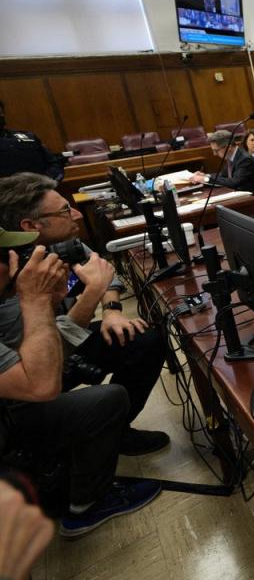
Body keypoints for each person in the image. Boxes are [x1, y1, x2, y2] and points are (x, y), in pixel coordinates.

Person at [0, 228, 162, 537]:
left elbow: (49, 356)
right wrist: (34, 300)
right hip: (13, 418)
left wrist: (49, 305)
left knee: (139, 341)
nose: (14, 262)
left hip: (13, 405)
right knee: (107, 399)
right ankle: (85, 507)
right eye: (5, 257)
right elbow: (43, 384)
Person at [0, 173, 169, 455]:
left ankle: (116, 432)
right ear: (30, 225)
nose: (77, 214)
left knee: (143, 339)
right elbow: (41, 361)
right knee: (107, 398)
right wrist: (88, 296)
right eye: (65, 210)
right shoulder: (9, 275)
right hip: (26, 376)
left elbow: (102, 272)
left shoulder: (60, 245)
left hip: (56, 342)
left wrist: (112, 309)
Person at [0, 101, 64, 183]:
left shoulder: (29, 137)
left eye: (1, 112)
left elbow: (54, 162)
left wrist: (48, 181)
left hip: (42, 189)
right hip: (7, 193)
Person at [189, 129, 254, 193]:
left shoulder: (245, 160)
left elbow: (234, 182)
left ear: (228, 147)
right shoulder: (232, 157)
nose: (214, 154)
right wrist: (206, 175)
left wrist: (205, 179)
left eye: (216, 150)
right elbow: (223, 175)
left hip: (251, 199)